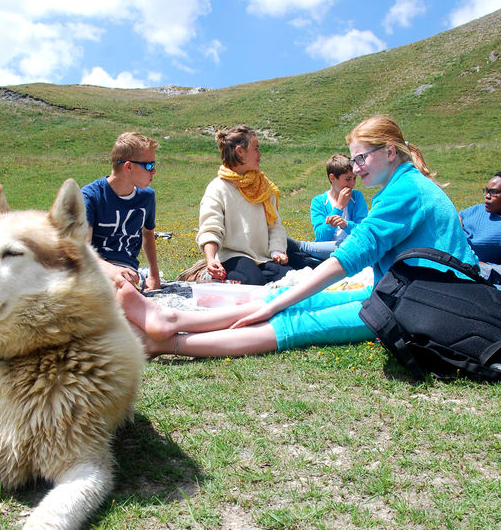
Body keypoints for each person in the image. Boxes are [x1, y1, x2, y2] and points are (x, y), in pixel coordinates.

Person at [118, 115, 478, 358]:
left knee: (294, 318)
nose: (356, 168)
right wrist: (281, 297)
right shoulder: (404, 184)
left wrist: (277, 303)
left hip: (427, 301)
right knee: (288, 298)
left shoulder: (406, 191)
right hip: (402, 291)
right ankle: (171, 321)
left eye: (362, 158)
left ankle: (166, 343)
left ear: (388, 151)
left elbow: (349, 256)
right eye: (353, 161)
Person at [196, 125, 293, 285]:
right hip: (232, 257)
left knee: (292, 280)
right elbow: (211, 228)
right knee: (253, 281)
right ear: (240, 151)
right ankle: (211, 276)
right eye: (256, 149)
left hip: (263, 258)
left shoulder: (263, 186)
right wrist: (211, 259)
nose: (260, 154)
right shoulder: (218, 188)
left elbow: (275, 225)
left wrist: (277, 250)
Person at [82, 131, 161, 290]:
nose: (153, 172)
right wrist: (113, 271)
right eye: (149, 166)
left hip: (127, 272)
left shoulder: (147, 197)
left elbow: (147, 233)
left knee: (124, 289)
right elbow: (83, 250)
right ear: (129, 166)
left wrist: (154, 276)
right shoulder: (90, 197)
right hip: (94, 268)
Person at [287, 153, 368, 262]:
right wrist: (338, 208)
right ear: (332, 177)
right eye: (348, 179)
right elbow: (321, 237)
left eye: (354, 178)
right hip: (325, 250)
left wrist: (346, 224)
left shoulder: (357, 197)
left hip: (353, 248)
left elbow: (363, 232)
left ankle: (301, 247)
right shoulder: (319, 201)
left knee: (350, 246)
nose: (352, 184)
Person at [458, 170, 501, 264]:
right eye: (486, 191)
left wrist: (478, 265)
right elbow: (452, 220)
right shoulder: (475, 210)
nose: (487, 196)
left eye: (493, 192)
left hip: (472, 272)